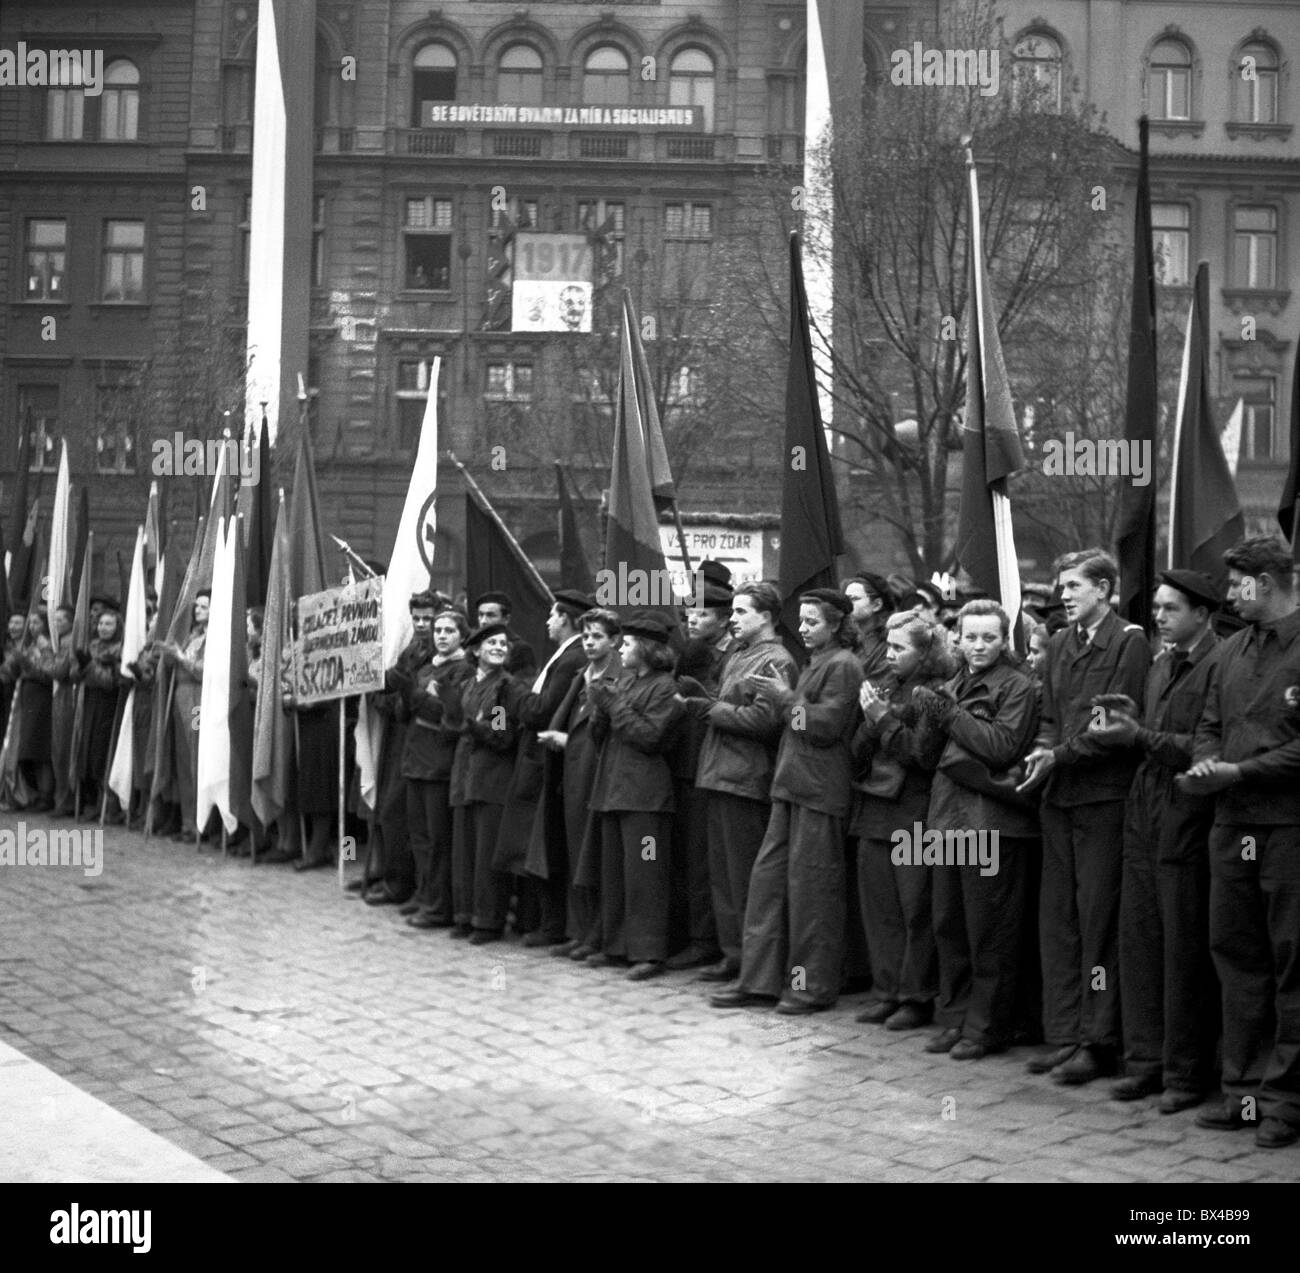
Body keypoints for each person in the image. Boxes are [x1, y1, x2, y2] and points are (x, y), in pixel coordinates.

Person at [1087, 570, 1221, 1112]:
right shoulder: (1163, 662)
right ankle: (1145, 1062)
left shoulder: (1219, 665)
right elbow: (1155, 734)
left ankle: (1186, 1074)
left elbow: (1212, 747)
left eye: (1171, 609)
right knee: (1139, 942)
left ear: (1201, 614)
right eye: (1159, 607)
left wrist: (1140, 735)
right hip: (1144, 807)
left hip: (1187, 813)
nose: (1159, 616)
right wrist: (1132, 720)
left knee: (1182, 947)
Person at [1184, 537, 1300, 1148]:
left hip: (1288, 829)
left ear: (1270, 580)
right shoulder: (1230, 652)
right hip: (1233, 828)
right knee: (1237, 958)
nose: (1229, 594)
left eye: (1239, 584)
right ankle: (1245, 1093)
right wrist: (1207, 765)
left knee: (1292, 965)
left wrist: (1243, 772)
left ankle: (1286, 1101)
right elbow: (1208, 724)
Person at [1020, 549, 1151, 1085]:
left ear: (1104, 588)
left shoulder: (1129, 642)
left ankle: (1099, 1040)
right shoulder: (1058, 643)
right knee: (1062, 922)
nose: (1064, 594)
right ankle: (1068, 1033)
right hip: (1061, 799)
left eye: (1074, 585)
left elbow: (1111, 723)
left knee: (1098, 923)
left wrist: (1060, 755)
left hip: (1102, 799)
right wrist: (1042, 750)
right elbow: (1051, 716)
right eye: (1061, 585)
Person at [711, 589, 863, 1014]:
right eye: (802, 620)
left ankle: (810, 987)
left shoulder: (844, 666)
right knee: (767, 887)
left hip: (818, 791)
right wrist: (787, 701)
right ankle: (758, 981)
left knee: (812, 894)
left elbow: (825, 727)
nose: (803, 628)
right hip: (790, 786)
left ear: (835, 625)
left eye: (813, 622)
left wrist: (783, 698)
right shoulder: (818, 662)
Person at [919, 599, 1040, 1059]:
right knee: (949, 926)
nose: (978, 645)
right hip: (946, 819)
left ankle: (987, 1026)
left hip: (992, 825)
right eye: (970, 636)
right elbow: (927, 756)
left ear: (1004, 638)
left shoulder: (1019, 685)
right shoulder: (953, 682)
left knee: (989, 932)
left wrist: (948, 715)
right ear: (958, 638)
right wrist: (926, 717)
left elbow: (1001, 746)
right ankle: (956, 1018)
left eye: (989, 637)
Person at [852, 610, 955, 1031]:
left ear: (925, 651)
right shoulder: (887, 686)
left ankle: (916, 995)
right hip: (875, 806)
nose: (890, 655)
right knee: (880, 909)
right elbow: (857, 751)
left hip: (914, 811)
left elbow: (923, 756)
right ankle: (886, 989)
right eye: (889, 646)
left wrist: (883, 720)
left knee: (915, 909)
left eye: (900, 648)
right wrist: (871, 720)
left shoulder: (935, 693)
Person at [690, 582, 797, 983]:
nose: (732, 619)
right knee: (722, 875)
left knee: (744, 877)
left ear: (766, 617)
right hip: (720, 774)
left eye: (740, 612)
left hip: (746, 777)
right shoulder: (740, 653)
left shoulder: (776, 660)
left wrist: (710, 709)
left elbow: (765, 722)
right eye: (732, 612)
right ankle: (733, 953)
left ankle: (754, 962)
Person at [586, 611, 684, 980]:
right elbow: (603, 737)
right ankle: (616, 944)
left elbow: (650, 737)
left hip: (645, 797)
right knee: (614, 874)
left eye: (626, 644)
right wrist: (601, 707)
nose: (621, 650)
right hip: (614, 790)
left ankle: (649, 950)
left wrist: (613, 706)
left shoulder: (664, 687)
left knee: (646, 875)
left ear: (645, 648)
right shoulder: (626, 682)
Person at [499, 590, 592, 947]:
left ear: (567, 619)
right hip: (538, 760)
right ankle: (539, 919)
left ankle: (552, 924)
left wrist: (513, 691)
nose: (547, 621)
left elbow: (541, 711)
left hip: (548, 762)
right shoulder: (563, 655)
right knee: (536, 844)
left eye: (553, 616)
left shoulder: (571, 658)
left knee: (546, 844)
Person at [542, 607, 622, 962]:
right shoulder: (581, 675)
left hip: (599, 776)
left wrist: (566, 741)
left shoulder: (618, 678)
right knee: (576, 856)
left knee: (598, 861)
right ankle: (579, 931)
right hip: (573, 777)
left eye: (598, 637)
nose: (590, 643)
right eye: (586, 636)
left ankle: (600, 935)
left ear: (614, 641)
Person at [401, 603, 474, 930]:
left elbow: (448, 714)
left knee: (438, 838)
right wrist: (415, 693)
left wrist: (413, 693)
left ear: (462, 636)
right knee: (418, 835)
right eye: (439, 631)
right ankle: (424, 892)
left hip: (439, 762)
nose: (442, 636)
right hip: (415, 756)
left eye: (449, 631)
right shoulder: (427, 667)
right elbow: (409, 709)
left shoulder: (463, 671)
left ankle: (439, 905)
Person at [447, 623, 519, 944]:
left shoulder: (504, 688)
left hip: (491, 780)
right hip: (465, 776)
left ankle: (488, 922)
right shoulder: (467, 684)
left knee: (486, 854)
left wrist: (473, 727)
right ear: (476, 650)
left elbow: (501, 734)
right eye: (492, 643)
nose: (499, 648)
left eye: (503, 643)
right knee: (464, 852)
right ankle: (464, 915)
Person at [160, 590, 209, 842]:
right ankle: (187, 821)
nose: (198, 610)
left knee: (195, 757)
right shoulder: (192, 635)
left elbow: (205, 670)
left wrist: (180, 657)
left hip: (197, 696)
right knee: (183, 759)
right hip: (181, 693)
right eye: (197, 606)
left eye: (204, 606)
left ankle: (201, 823)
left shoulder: (213, 637)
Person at [71, 604, 124, 820]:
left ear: (116, 626)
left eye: (108, 623)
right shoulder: (91, 645)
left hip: (107, 704)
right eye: (101, 623)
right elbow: (74, 675)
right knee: (85, 750)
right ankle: (87, 800)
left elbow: (110, 682)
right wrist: (81, 665)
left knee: (101, 753)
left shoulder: (119, 649)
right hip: (88, 702)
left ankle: (106, 805)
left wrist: (90, 667)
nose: (103, 627)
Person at [49, 603, 76, 817]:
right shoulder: (62, 641)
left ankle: (65, 800)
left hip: (68, 695)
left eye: (60, 620)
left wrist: (44, 657)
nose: (56, 623)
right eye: (55, 619)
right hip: (62, 694)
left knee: (63, 748)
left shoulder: (69, 643)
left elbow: (59, 670)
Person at [843, 572, 894, 681]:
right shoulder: (847, 642)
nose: (846, 605)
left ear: (877, 605)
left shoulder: (891, 645)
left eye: (854, 599)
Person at [474, 592, 536, 678]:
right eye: (481, 615)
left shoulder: (521, 649)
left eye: (490, 615)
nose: (483, 621)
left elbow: (523, 686)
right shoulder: (473, 645)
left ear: (506, 619)